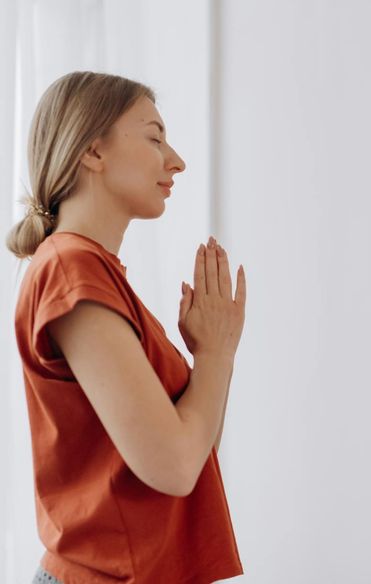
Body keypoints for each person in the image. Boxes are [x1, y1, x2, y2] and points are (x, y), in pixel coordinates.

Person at [8, 71, 247, 583]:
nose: (176, 160)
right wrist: (216, 357)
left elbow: (195, 451)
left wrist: (213, 351)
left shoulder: (95, 275)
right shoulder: (71, 269)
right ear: (93, 151)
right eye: (155, 137)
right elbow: (177, 467)